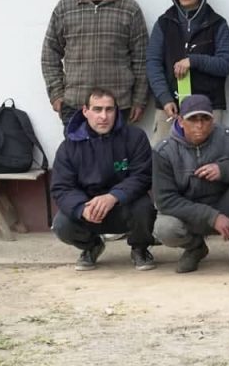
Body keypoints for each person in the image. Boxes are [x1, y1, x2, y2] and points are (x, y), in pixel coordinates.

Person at [50, 88, 156, 271]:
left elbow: (143, 176)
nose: (103, 116)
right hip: (90, 210)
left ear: (116, 111)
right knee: (61, 224)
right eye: (97, 109)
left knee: (144, 207)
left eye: (109, 109)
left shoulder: (135, 138)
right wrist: (81, 208)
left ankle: (140, 248)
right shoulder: (68, 147)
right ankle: (91, 246)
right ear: (85, 111)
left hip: (124, 205)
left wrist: (113, 196)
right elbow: (62, 187)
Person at [152, 95, 229, 275]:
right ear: (180, 121)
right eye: (192, 119)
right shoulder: (164, 151)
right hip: (190, 214)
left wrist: (225, 170)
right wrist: (211, 216)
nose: (200, 125)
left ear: (213, 118)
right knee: (164, 228)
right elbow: (165, 200)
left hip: (225, 205)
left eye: (205, 119)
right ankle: (196, 248)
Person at [42, 0, 148, 126]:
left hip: (118, 106)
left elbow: (142, 59)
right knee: (77, 155)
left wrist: (139, 99)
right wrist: (56, 94)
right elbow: (49, 54)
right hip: (75, 105)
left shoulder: (130, 10)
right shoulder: (65, 8)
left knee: (117, 155)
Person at [146, 0, 229, 144]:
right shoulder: (163, 23)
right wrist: (165, 99)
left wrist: (193, 61)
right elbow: (153, 64)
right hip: (170, 108)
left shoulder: (218, 24)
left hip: (209, 107)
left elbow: (225, 63)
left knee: (209, 161)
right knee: (163, 159)